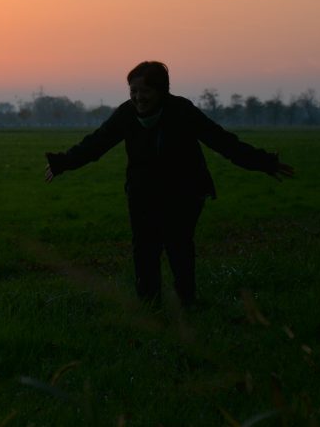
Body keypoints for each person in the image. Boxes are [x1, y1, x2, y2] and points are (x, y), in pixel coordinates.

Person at [44, 61, 294, 307]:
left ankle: (187, 301)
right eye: (133, 91)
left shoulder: (181, 111)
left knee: (179, 245)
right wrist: (62, 163)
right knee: (144, 248)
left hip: (184, 191)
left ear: (161, 91)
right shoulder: (126, 114)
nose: (138, 98)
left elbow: (222, 141)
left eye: (145, 91)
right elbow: (96, 143)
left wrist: (264, 162)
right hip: (143, 192)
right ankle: (149, 304)